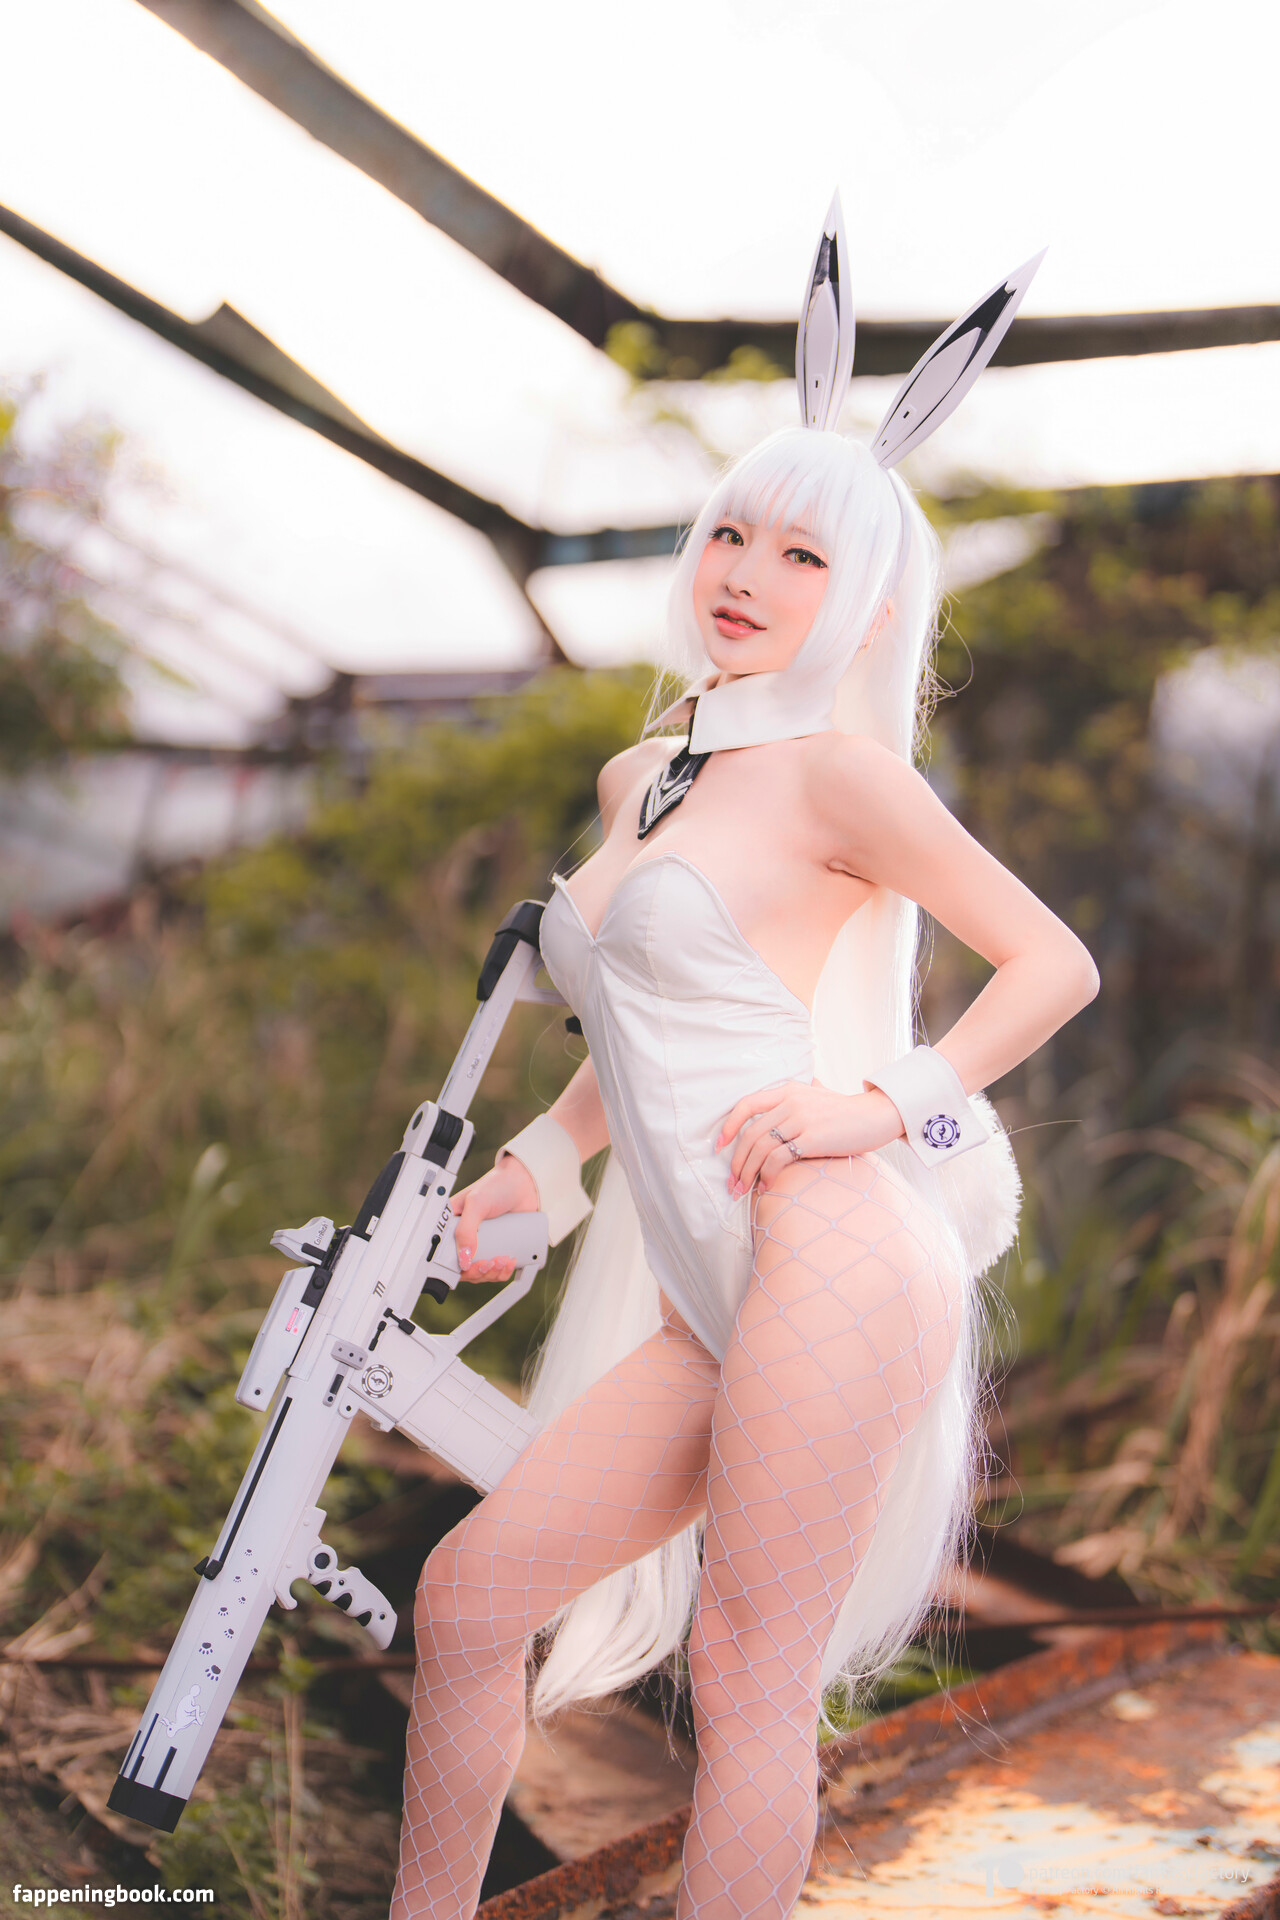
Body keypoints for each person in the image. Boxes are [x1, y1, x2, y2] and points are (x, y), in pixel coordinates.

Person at [390, 202, 1096, 1920]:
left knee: (748, 1676)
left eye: (801, 558)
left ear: (866, 602)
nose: (746, 575)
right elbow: (636, 1025)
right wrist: (541, 1177)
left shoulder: (847, 780)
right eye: (731, 534)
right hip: (713, 1290)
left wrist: (878, 1106)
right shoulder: (646, 778)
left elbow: (1054, 965)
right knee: (471, 1603)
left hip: (836, 1257)